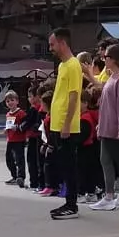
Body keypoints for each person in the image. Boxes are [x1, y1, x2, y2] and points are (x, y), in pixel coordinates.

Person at [46, 27, 84, 220]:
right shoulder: (62, 66)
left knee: (69, 165)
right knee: (62, 164)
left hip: (66, 125)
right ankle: (68, 201)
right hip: (57, 123)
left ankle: (72, 204)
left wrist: (67, 124)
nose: (50, 48)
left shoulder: (73, 65)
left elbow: (73, 96)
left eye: (52, 44)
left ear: (62, 43)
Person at [92, 46, 119, 212]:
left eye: (107, 56)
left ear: (114, 58)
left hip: (116, 127)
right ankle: (110, 195)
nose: (104, 59)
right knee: (106, 160)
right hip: (107, 126)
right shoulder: (112, 77)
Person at [1, 90, 29, 187]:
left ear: (17, 101)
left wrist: (18, 127)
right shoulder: (8, 114)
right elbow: (9, 125)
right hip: (10, 140)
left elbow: (25, 125)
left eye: (12, 100)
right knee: (9, 159)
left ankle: (21, 177)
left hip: (19, 140)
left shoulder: (21, 113)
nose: (10, 103)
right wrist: (6, 129)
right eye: (7, 101)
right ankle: (14, 175)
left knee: (19, 159)